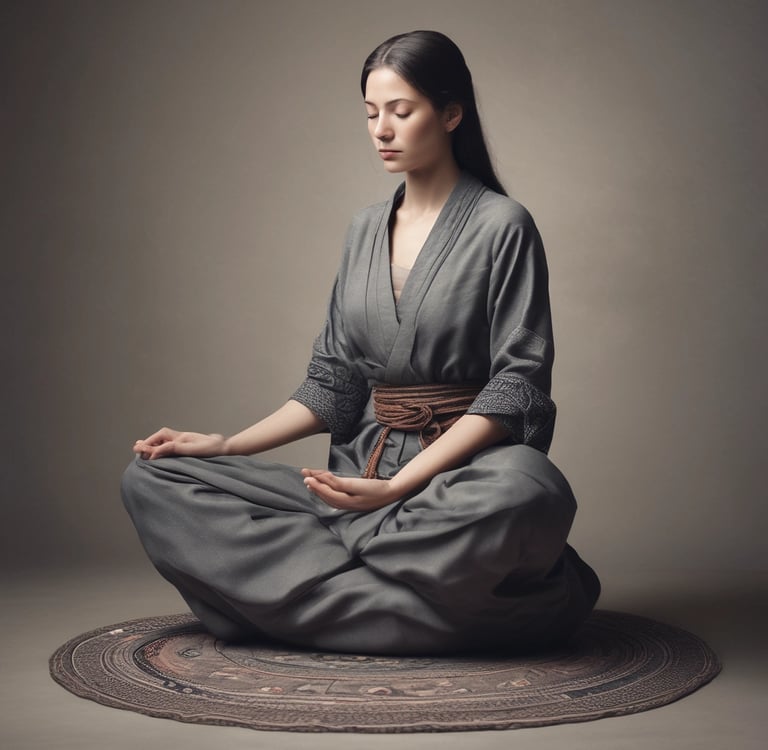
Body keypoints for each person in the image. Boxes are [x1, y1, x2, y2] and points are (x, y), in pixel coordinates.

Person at [122, 30, 600, 655]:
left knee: (529, 491)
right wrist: (225, 443)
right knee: (153, 479)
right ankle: (458, 615)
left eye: (401, 112)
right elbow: (336, 382)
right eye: (372, 114)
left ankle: (300, 599)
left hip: (454, 480)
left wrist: (401, 489)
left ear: (451, 113)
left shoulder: (502, 226)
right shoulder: (363, 231)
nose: (382, 129)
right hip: (353, 478)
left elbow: (517, 388)